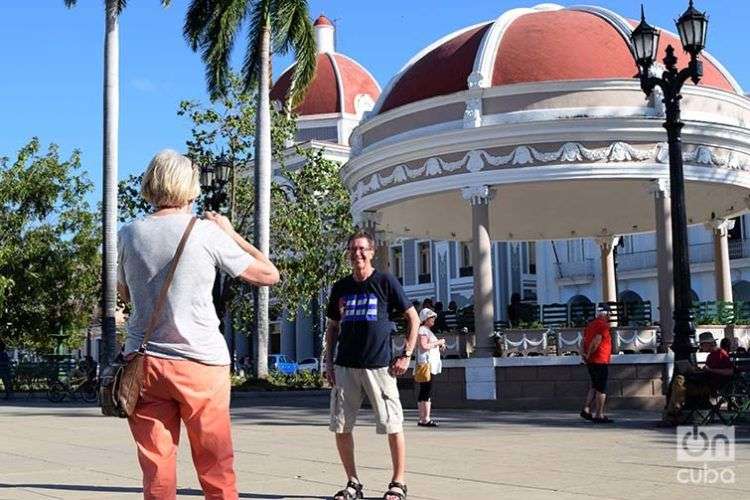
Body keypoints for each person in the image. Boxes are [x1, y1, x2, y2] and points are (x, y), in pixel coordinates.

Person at [117, 149, 279, 500]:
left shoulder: (128, 234)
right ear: (190, 189)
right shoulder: (205, 232)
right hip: (200, 362)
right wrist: (232, 233)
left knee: (157, 468)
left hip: (144, 365)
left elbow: (124, 293)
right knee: (215, 465)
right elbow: (269, 274)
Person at [325, 230, 419, 500]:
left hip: (380, 367)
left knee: (392, 424)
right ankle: (353, 482)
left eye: (362, 249)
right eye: (353, 249)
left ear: (372, 251)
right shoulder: (341, 287)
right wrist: (329, 363)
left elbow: (412, 317)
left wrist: (406, 354)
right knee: (341, 426)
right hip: (345, 367)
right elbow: (333, 327)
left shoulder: (385, 281)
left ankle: (398, 482)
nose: (358, 254)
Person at [580, 307, 613, 423]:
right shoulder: (603, 325)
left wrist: (583, 354)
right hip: (600, 360)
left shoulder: (590, 325)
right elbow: (596, 341)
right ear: (604, 314)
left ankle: (586, 409)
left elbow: (583, 341)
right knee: (601, 388)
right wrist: (588, 354)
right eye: (609, 314)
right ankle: (599, 414)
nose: (610, 316)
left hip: (591, 361)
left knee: (594, 386)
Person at [415, 308, 446, 427]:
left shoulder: (426, 330)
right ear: (425, 319)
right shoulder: (423, 330)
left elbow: (427, 346)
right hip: (426, 364)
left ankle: (423, 418)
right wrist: (438, 342)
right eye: (431, 317)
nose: (433, 319)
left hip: (427, 363)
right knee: (426, 390)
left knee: (424, 390)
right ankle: (425, 418)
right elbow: (423, 346)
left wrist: (439, 345)